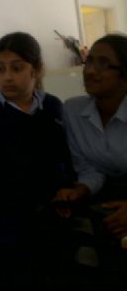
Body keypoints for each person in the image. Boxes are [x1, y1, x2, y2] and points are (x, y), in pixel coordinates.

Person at [0, 32, 75, 291]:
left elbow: (65, 160)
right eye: (0, 69)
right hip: (5, 225)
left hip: (53, 220)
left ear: (37, 69)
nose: (7, 77)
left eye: (17, 68)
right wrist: (18, 204)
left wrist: (66, 190)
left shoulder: (53, 107)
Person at [53, 34, 127, 290]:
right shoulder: (73, 111)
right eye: (90, 61)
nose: (91, 70)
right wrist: (80, 189)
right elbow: (88, 167)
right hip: (107, 202)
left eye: (104, 64)